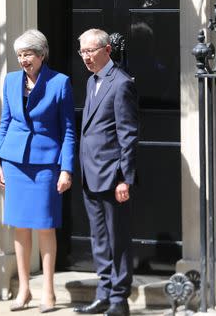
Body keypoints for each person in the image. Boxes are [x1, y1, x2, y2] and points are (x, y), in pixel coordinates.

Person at [0, 29, 76, 313]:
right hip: (14, 161)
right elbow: (5, 123)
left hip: (45, 164)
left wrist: (66, 169)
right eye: (19, 55)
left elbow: (68, 130)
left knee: (44, 225)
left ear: (41, 55)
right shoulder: (11, 81)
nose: (22, 60)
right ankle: (25, 289)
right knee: (20, 226)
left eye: (27, 54)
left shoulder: (60, 83)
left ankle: (48, 291)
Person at [73, 28, 138, 316]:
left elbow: (128, 135)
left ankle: (119, 300)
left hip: (113, 178)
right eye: (82, 52)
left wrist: (125, 177)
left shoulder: (121, 83)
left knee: (118, 239)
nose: (86, 57)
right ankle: (104, 292)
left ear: (107, 50)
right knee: (99, 240)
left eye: (90, 51)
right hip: (91, 175)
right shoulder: (91, 82)